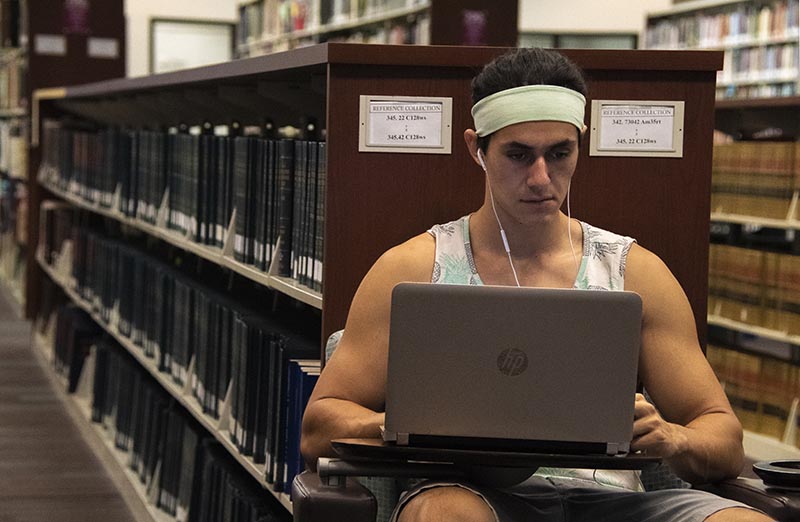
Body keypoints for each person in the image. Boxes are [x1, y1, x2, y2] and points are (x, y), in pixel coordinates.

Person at [300, 47, 772, 522]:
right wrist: (410, 427)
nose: (541, 178)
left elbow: (724, 438)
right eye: (519, 155)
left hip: (614, 501)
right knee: (445, 514)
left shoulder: (633, 271)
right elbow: (319, 426)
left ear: (579, 147)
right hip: (471, 495)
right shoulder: (414, 268)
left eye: (559, 153)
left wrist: (674, 437)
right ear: (476, 149)